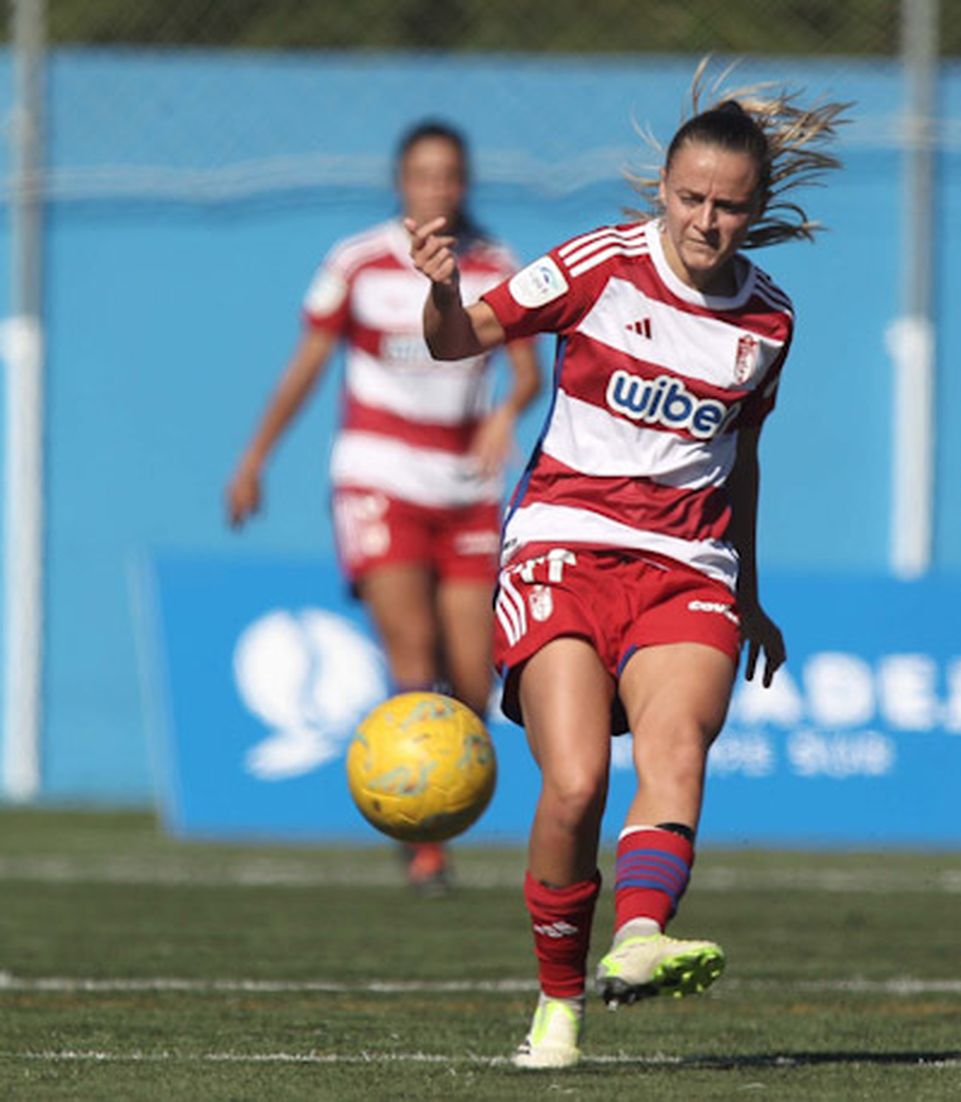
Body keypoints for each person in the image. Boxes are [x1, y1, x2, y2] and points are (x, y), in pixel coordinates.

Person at [408, 73, 847, 1068]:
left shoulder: (768, 321)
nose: (707, 220)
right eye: (690, 197)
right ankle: (556, 1007)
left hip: (687, 564)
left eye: (730, 204)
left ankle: (642, 935)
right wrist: (440, 287)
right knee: (574, 785)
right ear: (663, 187)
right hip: (563, 545)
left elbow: (742, 460)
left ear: (758, 207)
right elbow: (452, 342)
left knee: (677, 746)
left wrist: (747, 586)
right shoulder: (597, 266)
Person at [226, 120, 541, 894]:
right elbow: (306, 364)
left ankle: (434, 809)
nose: (437, 188)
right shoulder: (356, 263)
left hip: (465, 490)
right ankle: (423, 845)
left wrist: (507, 411)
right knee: (412, 656)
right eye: (423, 175)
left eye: (450, 176)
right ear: (401, 182)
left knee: (471, 679)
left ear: (465, 184)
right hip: (379, 477)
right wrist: (256, 456)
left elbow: (529, 371)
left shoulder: (496, 266)